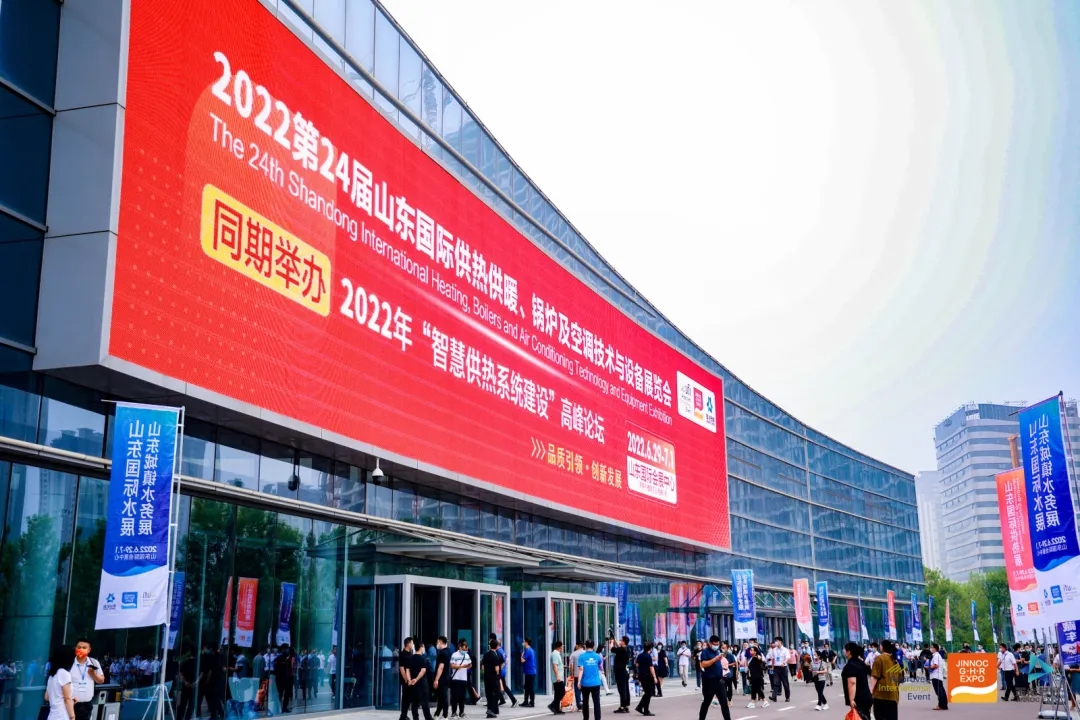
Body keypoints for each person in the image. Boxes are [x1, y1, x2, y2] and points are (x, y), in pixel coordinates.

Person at [69, 639, 105, 720]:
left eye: (84, 647)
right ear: (75, 648)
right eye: (79, 647)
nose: (81, 649)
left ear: (89, 650)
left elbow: (101, 680)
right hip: (71, 704)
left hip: (87, 705)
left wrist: (93, 675)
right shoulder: (69, 663)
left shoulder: (94, 662)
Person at [698, 635, 731, 720]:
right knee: (706, 703)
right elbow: (703, 664)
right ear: (710, 643)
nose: (716, 646)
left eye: (717, 644)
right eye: (714, 644)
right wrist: (715, 659)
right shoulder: (705, 652)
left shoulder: (717, 652)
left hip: (719, 681)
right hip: (709, 682)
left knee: (724, 703)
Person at [869, 640, 900, 720]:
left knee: (880, 717)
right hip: (893, 695)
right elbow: (899, 678)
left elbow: (874, 676)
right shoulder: (894, 660)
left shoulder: (879, 658)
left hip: (881, 695)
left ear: (882, 647)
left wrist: (871, 691)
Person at [841, 642, 873, 720]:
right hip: (866, 697)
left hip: (858, 699)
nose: (844, 652)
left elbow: (852, 682)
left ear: (849, 652)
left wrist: (851, 699)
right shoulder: (861, 663)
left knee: (858, 717)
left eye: (845, 650)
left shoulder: (850, 665)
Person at [46, 647, 76, 720]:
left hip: (52, 715)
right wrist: (72, 717)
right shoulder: (64, 673)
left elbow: (47, 697)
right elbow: (67, 699)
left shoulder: (52, 675)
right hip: (62, 715)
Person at [406, 643, 435, 720]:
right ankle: (428, 718)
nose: (424, 649)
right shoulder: (423, 659)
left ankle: (415, 718)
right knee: (425, 703)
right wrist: (416, 679)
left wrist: (409, 680)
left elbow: (407, 670)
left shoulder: (410, 658)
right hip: (422, 683)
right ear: (421, 647)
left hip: (412, 684)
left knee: (414, 703)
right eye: (423, 647)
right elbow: (423, 671)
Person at [576, 640, 603, 720]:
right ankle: (597, 718)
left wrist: (579, 681)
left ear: (585, 646)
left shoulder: (581, 657)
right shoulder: (597, 656)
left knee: (585, 702)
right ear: (593, 646)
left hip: (585, 683)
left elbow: (581, 669)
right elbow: (599, 666)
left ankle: (586, 718)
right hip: (595, 682)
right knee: (596, 702)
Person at [449, 640, 471, 719]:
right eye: (464, 647)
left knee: (462, 697)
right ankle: (454, 713)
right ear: (460, 647)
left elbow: (470, 664)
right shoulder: (454, 655)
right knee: (455, 696)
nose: (466, 649)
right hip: (456, 678)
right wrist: (462, 666)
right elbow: (452, 665)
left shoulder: (467, 655)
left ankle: (461, 712)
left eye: (467, 647)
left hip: (464, 678)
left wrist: (468, 666)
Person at [609, 636, 632, 714]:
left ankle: (622, 706)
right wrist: (615, 640)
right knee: (625, 689)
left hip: (620, 672)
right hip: (624, 672)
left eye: (621, 640)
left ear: (624, 642)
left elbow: (612, 649)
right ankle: (626, 706)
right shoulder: (627, 649)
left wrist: (612, 642)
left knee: (621, 690)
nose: (620, 641)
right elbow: (619, 648)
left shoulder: (622, 650)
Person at [634, 643, 657, 717]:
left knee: (647, 692)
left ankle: (642, 708)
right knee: (648, 693)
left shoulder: (640, 655)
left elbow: (637, 664)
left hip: (641, 675)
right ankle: (643, 708)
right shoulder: (648, 656)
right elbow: (651, 667)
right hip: (647, 676)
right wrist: (654, 677)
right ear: (650, 648)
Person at [481, 640, 502, 719]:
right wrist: (497, 675)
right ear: (496, 646)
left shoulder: (486, 655)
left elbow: (482, 667)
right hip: (493, 678)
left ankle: (490, 709)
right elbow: (497, 669)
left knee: (488, 694)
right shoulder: (495, 656)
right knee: (496, 694)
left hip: (486, 677)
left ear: (490, 645)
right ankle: (491, 710)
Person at [767, 637, 790, 704]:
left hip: (783, 668)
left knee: (785, 683)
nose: (776, 642)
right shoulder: (774, 650)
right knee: (776, 682)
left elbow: (787, 658)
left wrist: (784, 663)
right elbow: (773, 659)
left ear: (780, 642)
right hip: (776, 668)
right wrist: (772, 667)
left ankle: (787, 697)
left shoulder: (785, 650)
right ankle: (774, 697)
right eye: (775, 641)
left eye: (777, 641)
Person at [927, 643, 947, 711]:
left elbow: (936, 665)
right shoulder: (937, 655)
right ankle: (944, 705)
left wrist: (928, 667)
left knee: (939, 691)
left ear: (935, 648)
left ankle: (941, 705)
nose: (931, 649)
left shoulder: (936, 656)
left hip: (936, 675)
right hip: (937, 675)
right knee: (941, 691)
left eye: (932, 647)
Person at [547, 641, 565, 715]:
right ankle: (552, 705)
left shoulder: (557, 654)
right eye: (562, 646)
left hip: (559, 677)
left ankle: (557, 709)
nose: (563, 647)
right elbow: (555, 665)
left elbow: (557, 665)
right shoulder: (555, 654)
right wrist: (557, 676)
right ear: (560, 646)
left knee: (557, 693)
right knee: (562, 692)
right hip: (558, 678)